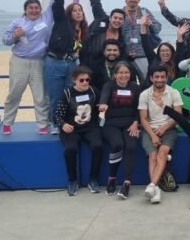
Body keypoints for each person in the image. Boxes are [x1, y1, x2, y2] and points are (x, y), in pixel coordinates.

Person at [1, 0, 54, 134]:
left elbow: (54, 1)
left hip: (39, 61)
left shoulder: (46, 18)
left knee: (40, 95)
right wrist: (15, 36)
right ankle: (7, 123)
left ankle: (43, 125)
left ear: (41, 10)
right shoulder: (17, 22)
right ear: (25, 10)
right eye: (30, 8)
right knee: (14, 93)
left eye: (37, 7)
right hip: (19, 61)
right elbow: (5, 40)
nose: (34, 10)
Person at [44, 0, 89, 135]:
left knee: (71, 94)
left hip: (72, 65)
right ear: (69, 14)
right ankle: (55, 124)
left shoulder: (84, 31)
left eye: (80, 10)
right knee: (55, 96)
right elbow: (58, 6)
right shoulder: (62, 22)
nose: (78, 12)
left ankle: (69, 121)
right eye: (74, 10)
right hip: (55, 62)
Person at [54, 65, 103, 196]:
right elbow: (57, 115)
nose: (85, 83)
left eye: (87, 80)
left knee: (97, 146)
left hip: (90, 127)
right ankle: (72, 181)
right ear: (74, 80)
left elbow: (100, 106)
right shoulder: (67, 93)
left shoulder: (93, 91)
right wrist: (63, 124)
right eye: (81, 80)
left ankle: (93, 179)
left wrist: (103, 108)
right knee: (70, 149)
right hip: (72, 128)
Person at [138, 65, 183, 204]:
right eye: (156, 77)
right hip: (150, 130)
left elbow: (178, 116)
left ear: (166, 77)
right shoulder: (144, 94)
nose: (160, 79)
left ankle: (152, 186)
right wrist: (153, 135)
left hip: (169, 129)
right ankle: (156, 188)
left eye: (162, 77)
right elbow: (143, 119)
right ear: (151, 78)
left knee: (162, 153)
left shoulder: (173, 92)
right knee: (152, 156)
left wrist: (164, 128)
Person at [98, 61, 141, 199]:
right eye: (120, 73)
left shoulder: (135, 87)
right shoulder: (109, 86)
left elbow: (139, 109)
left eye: (126, 72)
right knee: (117, 144)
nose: (124, 75)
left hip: (130, 124)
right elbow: (104, 97)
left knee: (131, 146)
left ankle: (127, 182)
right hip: (111, 124)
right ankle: (112, 179)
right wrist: (103, 104)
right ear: (115, 74)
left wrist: (136, 122)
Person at [78, 0, 127, 70]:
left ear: (123, 21)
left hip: (107, 67)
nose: (117, 20)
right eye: (115, 17)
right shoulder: (101, 19)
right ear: (110, 18)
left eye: (120, 19)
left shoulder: (122, 34)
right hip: (88, 61)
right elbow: (95, 2)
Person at [121, 0, 162, 81]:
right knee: (126, 84)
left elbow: (157, 28)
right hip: (124, 55)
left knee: (147, 81)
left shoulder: (144, 12)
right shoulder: (120, 13)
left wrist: (150, 24)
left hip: (142, 54)